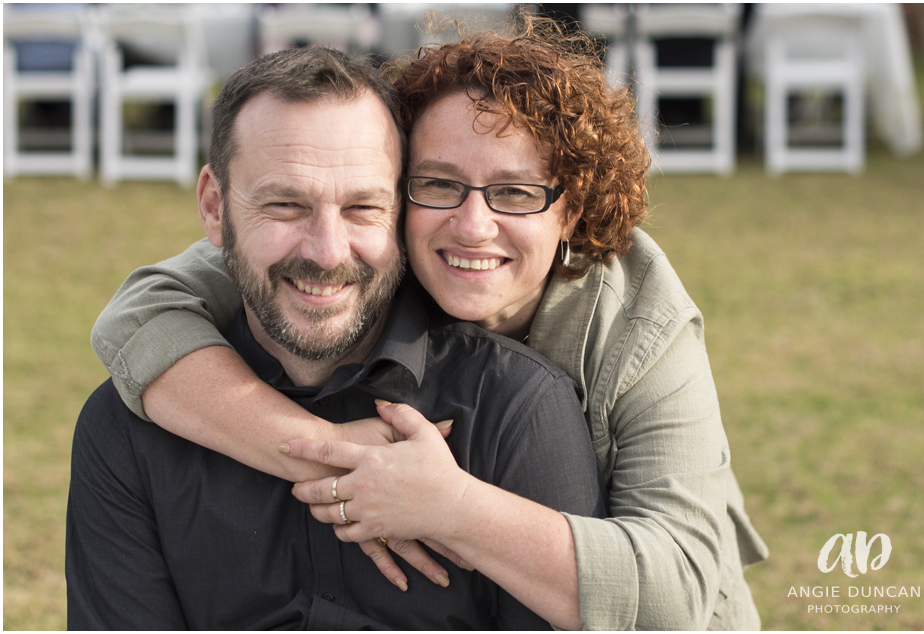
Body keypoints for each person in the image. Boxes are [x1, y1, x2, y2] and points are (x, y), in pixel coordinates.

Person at [90, 17, 769, 631]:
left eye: (516, 192)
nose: (472, 225)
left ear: (570, 210)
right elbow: (137, 318)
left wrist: (450, 508)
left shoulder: (638, 324)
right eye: (440, 182)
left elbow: (676, 599)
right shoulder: (361, 240)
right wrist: (329, 452)